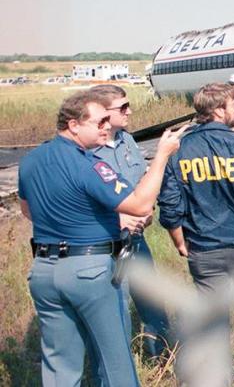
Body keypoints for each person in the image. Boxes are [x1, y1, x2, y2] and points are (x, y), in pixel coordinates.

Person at [18, 90, 185, 387]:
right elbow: (140, 205)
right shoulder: (90, 164)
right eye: (100, 122)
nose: (106, 127)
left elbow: (28, 209)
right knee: (115, 363)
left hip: (44, 269)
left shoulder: (32, 160)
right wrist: (161, 157)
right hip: (89, 269)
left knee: (59, 368)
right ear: (73, 125)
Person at [157, 83, 234, 380]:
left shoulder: (180, 150)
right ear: (217, 111)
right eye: (233, 105)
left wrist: (179, 243)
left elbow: (170, 206)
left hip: (202, 247)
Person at [89, 84, 172, 361]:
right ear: (102, 112)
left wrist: (145, 212)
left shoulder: (126, 140)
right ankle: (119, 367)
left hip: (136, 238)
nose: (129, 111)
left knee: (152, 301)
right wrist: (119, 218)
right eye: (122, 107)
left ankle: (159, 359)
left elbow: (143, 183)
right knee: (117, 306)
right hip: (105, 243)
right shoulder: (86, 152)